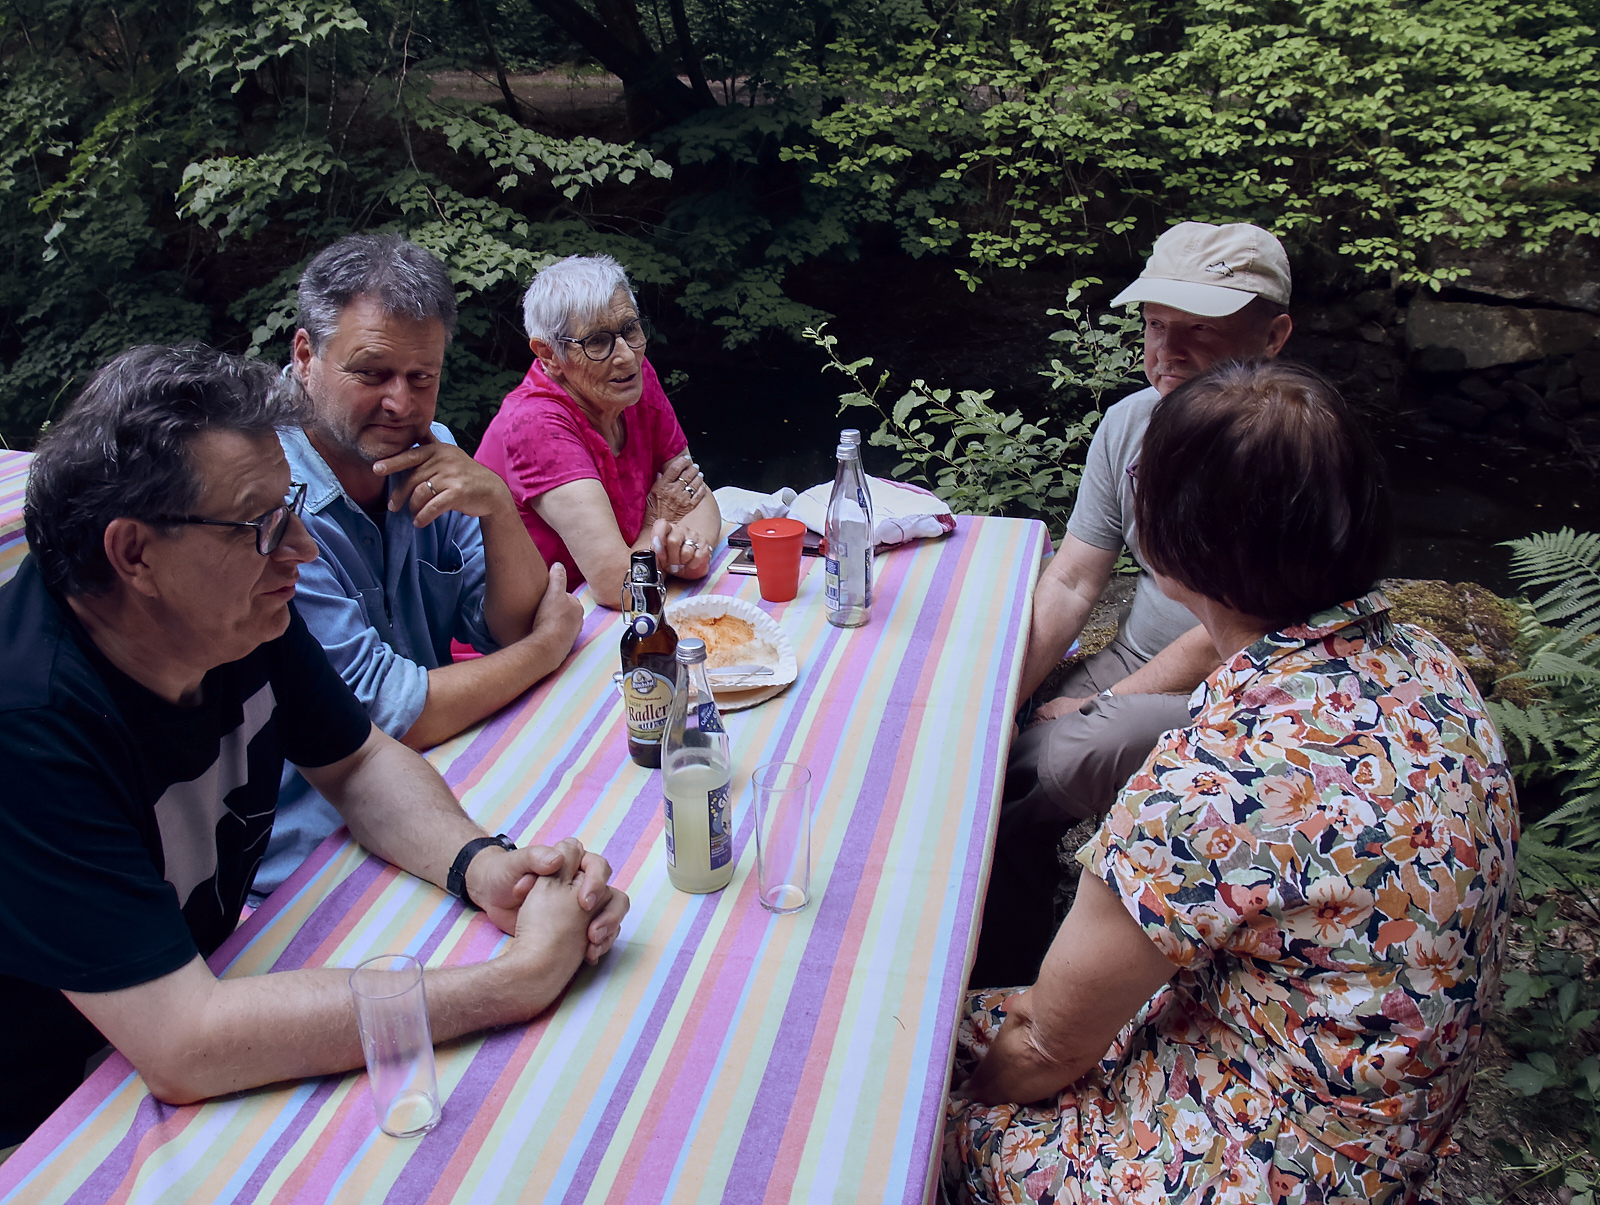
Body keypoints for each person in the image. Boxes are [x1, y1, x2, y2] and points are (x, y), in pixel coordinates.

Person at [0, 344, 627, 1150]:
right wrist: (515, 981)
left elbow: (358, 762)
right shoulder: (27, 725)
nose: (300, 547)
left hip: (192, 997)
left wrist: (481, 866)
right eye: (260, 526)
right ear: (134, 553)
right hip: (47, 1122)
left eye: (289, 506)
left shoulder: (232, 612)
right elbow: (185, 1043)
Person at [943, 361, 1517, 1205]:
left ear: (1173, 541)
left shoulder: (1212, 778)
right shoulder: (1428, 664)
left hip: (1249, 1163)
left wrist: (962, 1116)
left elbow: (1046, 1045)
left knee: (903, 1080)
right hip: (1378, 1128)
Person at [972, 221, 1296, 986]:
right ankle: (1004, 961)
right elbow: (1073, 579)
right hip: (1134, 654)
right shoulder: (1130, 423)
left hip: (1246, 682)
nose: (1167, 351)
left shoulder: (1287, 446)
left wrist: (1101, 704)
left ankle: (1037, 979)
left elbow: (1229, 628)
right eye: (1155, 324)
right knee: (986, 725)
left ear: (1274, 335)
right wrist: (1001, 697)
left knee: (1054, 757)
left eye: (1199, 330)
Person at [254, 234, 585, 899]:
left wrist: (496, 504)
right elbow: (387, 711)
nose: (401, 403)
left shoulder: (432, 454)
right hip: (319, 857)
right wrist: (548, 647)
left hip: (445, 783)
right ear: (305, 356)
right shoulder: (266, 503)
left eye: (421, 377)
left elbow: (508, 623)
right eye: (372, 373)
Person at [474, 254, 721, 610]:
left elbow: (696, 495)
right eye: (597, 342)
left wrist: (690, 548)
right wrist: (657, 521)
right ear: (549, 355)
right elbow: (618, 585)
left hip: (604, 609)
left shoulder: (629, 379)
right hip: (534, 623)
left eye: (630, 329)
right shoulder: (536, 423)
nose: (626, 356)